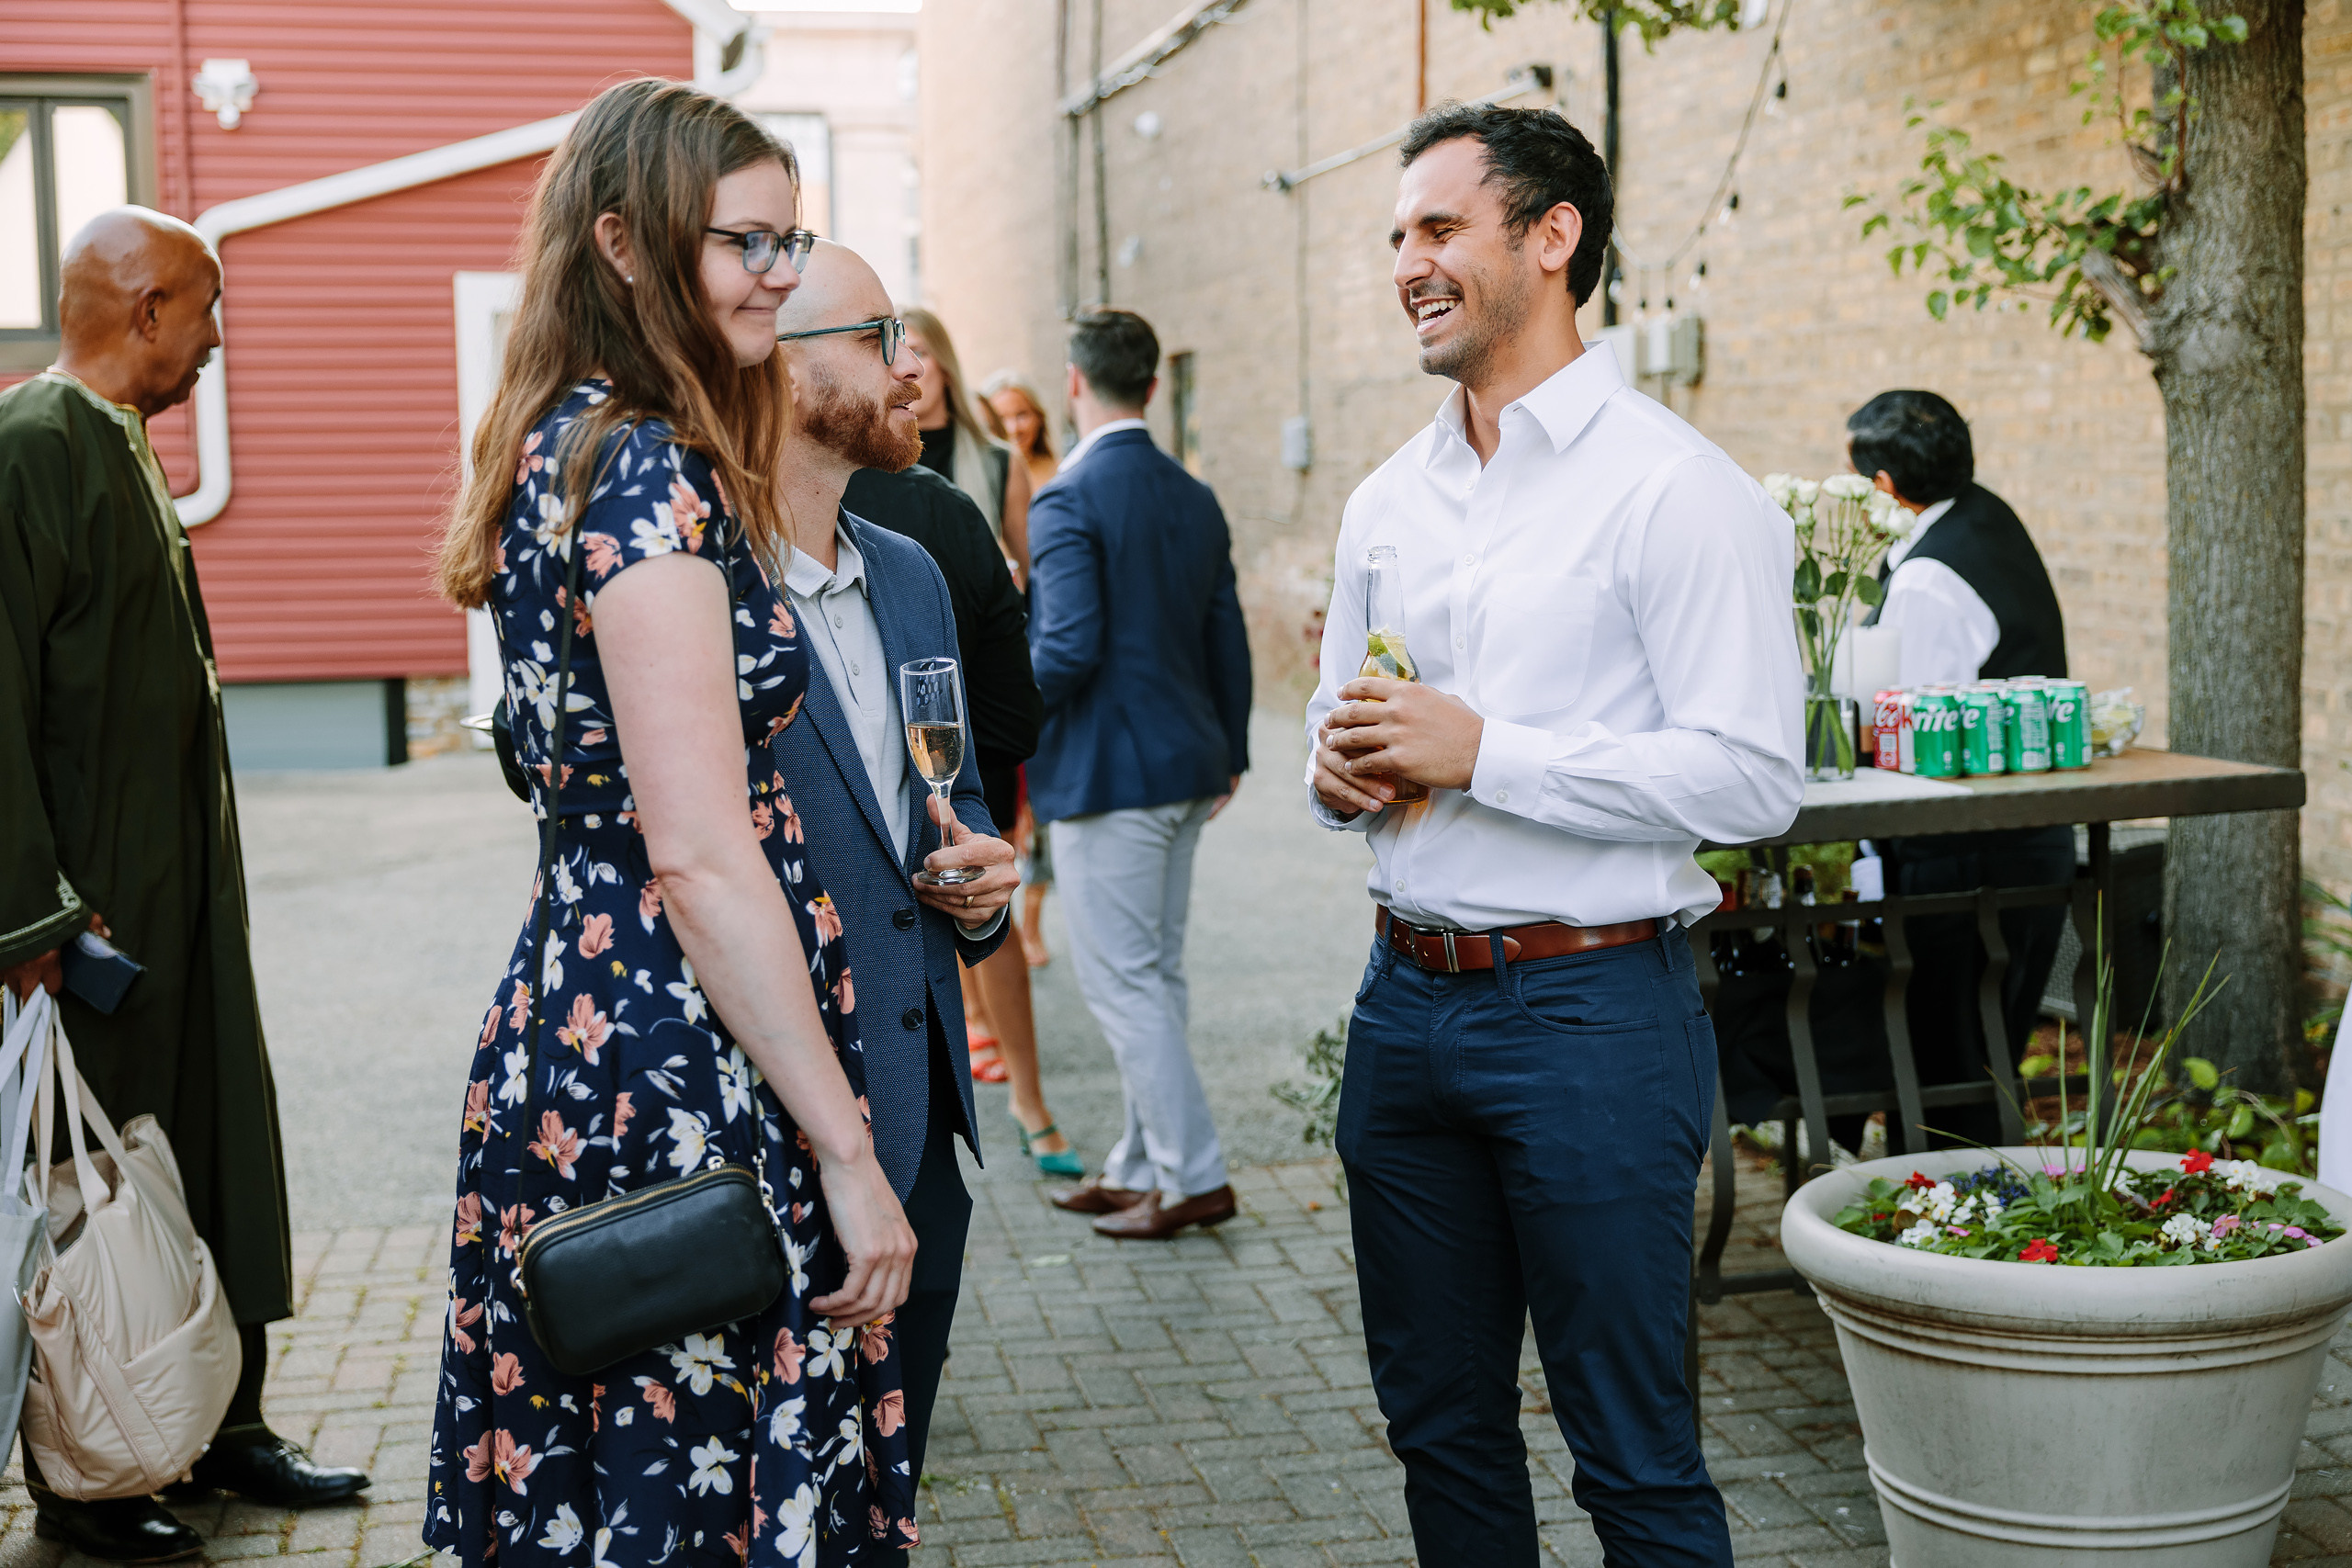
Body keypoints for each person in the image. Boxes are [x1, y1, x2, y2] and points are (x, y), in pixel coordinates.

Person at [424, 81, 923, 1564]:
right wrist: (846, 1148)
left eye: (792, 237)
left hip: (592, 1014)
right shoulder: (642, 465)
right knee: (693, 1465)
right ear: (627, 245)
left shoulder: (561, 442)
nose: (780, 271)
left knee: (618, 1467)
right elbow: (699, 853)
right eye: (746, 242)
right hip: (673, 1047)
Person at [1307, 103, 1803, 1565]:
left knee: (1633, 1453)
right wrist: (1346, 773)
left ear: (1552, 236)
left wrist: (1488, 752)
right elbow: (1351, 725)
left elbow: (1753, 780)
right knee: (1441, 1430)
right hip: (1403, 1010)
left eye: (1440, 226)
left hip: (1591, 1013)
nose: (1409, 260)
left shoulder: (1675, 488)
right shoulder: (1388, 497)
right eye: (1399, 234)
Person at [0, 206, 368, 1562]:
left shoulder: (124, 445)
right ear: (146, 307)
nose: (219, 336)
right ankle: (93, 1473)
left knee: (211, 1146)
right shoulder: (30, 446)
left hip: (182, 894)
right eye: (206, 308)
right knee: (94, 1184)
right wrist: (28, 913)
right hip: (85, 916)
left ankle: (222, 1422)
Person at [771, 240, 1023, 1483]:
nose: (907, 364)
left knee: (887, 1489)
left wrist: (984, 881)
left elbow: (954, 800)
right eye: (878, 338)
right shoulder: (692, 590)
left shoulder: (914, 575)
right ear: (782, 365)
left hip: (923, 1128)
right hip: (766, 1126)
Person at [1032, 308, 1253, 1241]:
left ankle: (1192, 1175)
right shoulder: (1190, 493)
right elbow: (1225, 635)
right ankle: (1134, 1164)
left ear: (1074, 384)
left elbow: (1067, 646)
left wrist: (996, 710)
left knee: (1125, 986)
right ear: (1152, 388)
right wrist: (1232, 748)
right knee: (1153, 978)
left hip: (1106, 772)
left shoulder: (1067, 499)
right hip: (1187, 766)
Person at [841, 434, 1075, 1174]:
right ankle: (1028, 1105)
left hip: (955, 789)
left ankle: (1018, 1089)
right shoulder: (943, 505)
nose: (905, 367)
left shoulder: (951, 496)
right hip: (965, 782)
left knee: (978, 910)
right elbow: (1013, 713)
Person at [1851, 389, 2072, 1148]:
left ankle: (1943, 1224)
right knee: (1986, 1055)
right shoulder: (1988, 517)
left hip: (1967, 856)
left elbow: (1907, 723)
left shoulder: (1927, 578)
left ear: (1884, 485)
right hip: (2030, 838)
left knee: (1950, 1063)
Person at [901, 308, 1030, 582]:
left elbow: (1035, 574)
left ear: (946, 368)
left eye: (918, 352)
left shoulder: (999, 463)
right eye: (893, 354)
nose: (905, 370)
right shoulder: (867, 462)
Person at [979, 369, 1059, 493]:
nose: (1013, 429)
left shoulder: (1063, 471)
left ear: (1038, 417)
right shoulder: (980, 484)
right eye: (1000, 419)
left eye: (1021, 415)